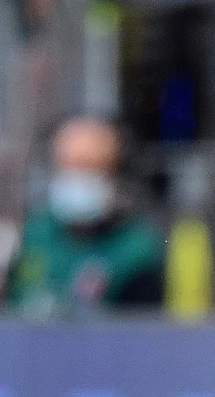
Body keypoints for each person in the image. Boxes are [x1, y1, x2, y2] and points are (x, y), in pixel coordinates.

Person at [5, 117, 163, 315]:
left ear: (114, 173)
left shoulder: (136, 250)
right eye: (67, 166)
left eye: (89, 168)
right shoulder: (35, 234)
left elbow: (145, 333)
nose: (77, 178)